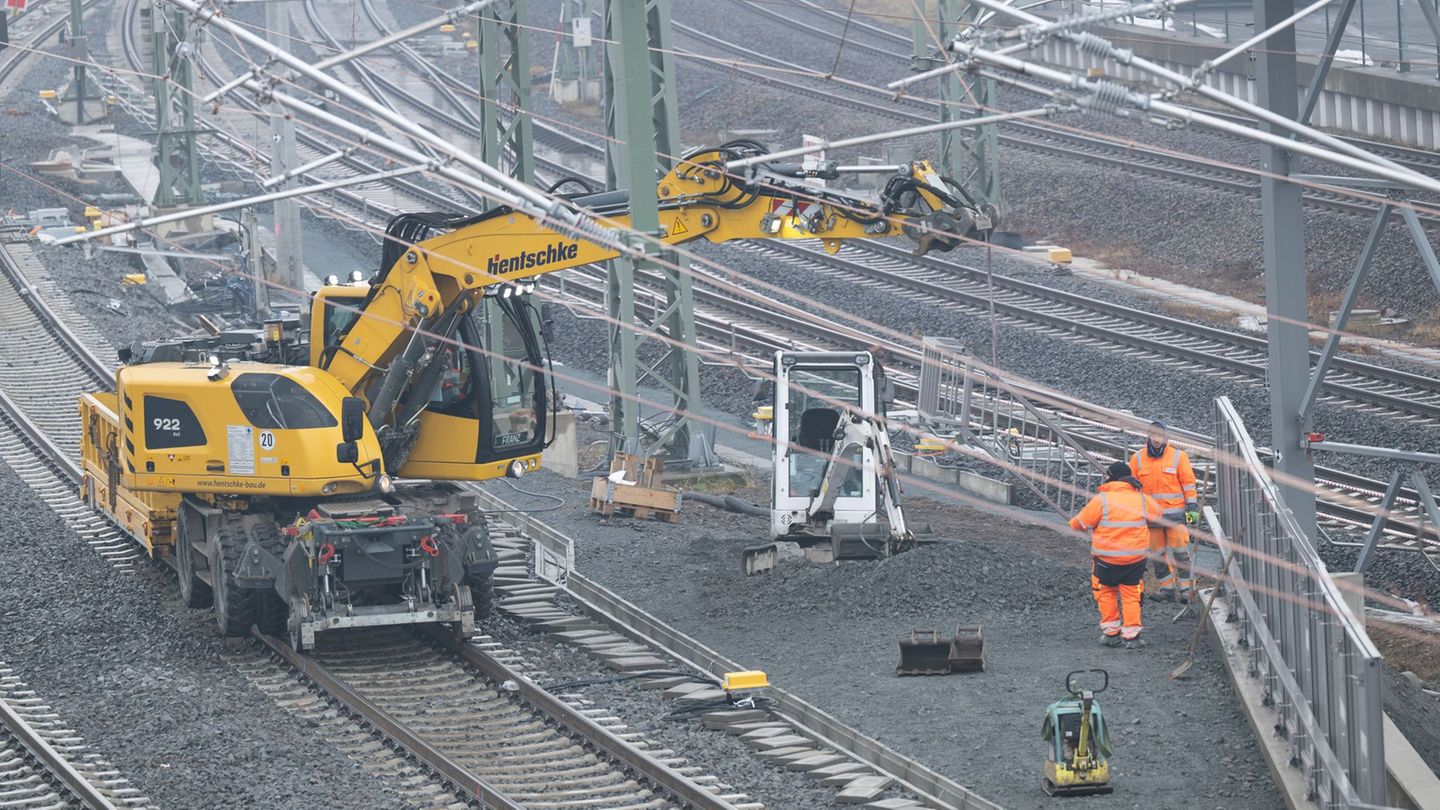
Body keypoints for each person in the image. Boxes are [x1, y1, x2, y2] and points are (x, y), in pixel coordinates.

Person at [1069, 461, 1162, 649]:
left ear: (1111, 478)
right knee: (1131, 594)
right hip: (1135, 559)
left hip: (1106, 560)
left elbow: (1078, 524)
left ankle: (1111, 634)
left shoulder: (1102, 500)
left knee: (1106, 593)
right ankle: (1132, 637)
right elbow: (1158, 515)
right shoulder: (1142, 499)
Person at [1128, 420, 1199, 603]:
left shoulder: (1178, 457)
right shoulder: (1137, 458)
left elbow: (1189, 485)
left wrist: (1192, 508)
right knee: (1157, 556)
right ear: (1148, 436)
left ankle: (1187, 590)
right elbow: (1131, 488)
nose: (1157, 439)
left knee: (1181, 553)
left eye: (1160, 436)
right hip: (1151, 518)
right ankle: (1167, 589)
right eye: (1153, 435)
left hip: (1176, 517)